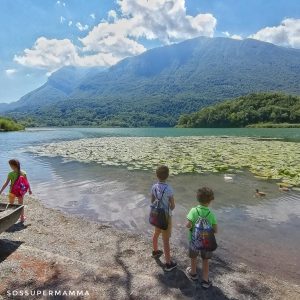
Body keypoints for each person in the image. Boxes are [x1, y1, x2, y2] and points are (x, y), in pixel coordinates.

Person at [186, 187, 217, 288]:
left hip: (194, 241)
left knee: (194, 257)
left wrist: (190, 226)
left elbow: (188, 224)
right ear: (210, 200)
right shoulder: (211, 214)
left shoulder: (193, 210)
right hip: (207, 242)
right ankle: (205, 280)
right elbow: (215, 230)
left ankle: (193, 273)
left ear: (197, 198)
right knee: (205, 260)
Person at [151, 165, 177, 271]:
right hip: (166, 216)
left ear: (156, 175)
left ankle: (156, 251)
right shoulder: (169, 189)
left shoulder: (154, 187)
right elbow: (173, 205)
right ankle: (168, 263)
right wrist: (169, 209)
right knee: (166, 240)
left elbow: (152, 201)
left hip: (156, 214)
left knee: (156, 233)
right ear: (167, 176)